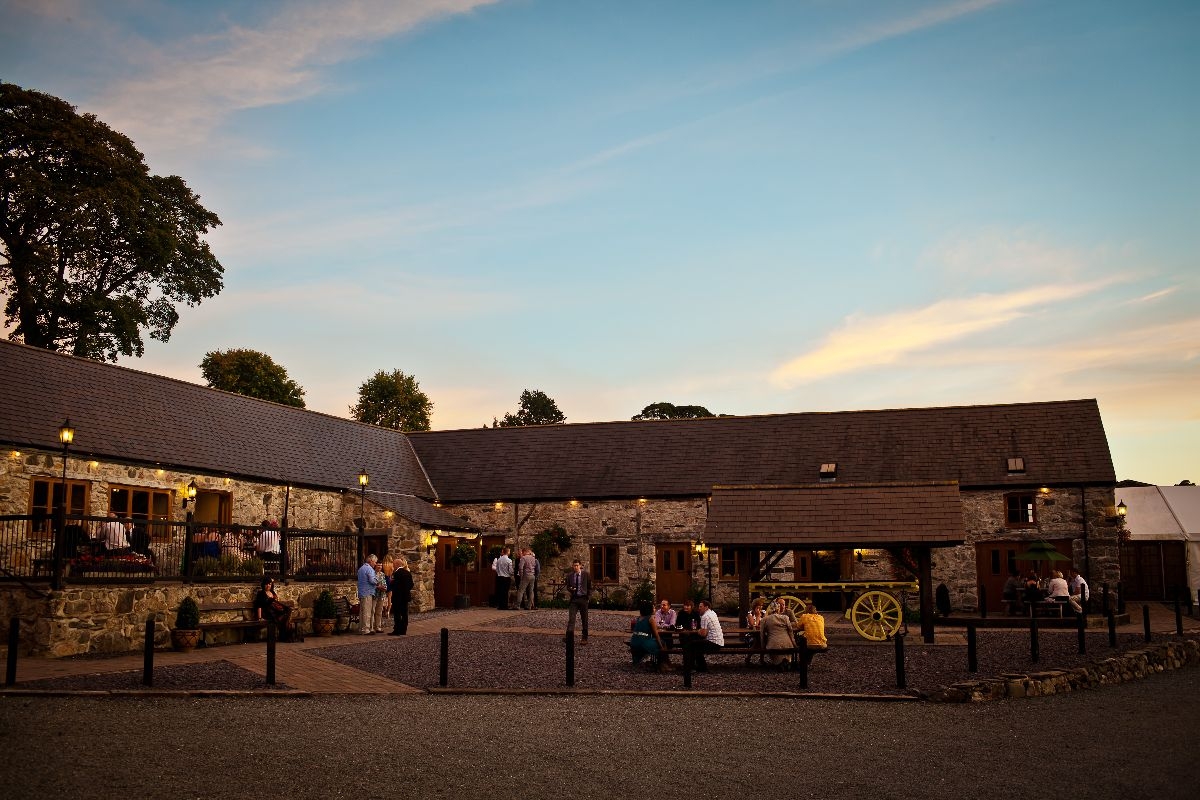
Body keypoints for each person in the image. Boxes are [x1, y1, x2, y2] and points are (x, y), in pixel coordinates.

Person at [628, 600, 670, 671]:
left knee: (654, 642)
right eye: (653, 608)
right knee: (662, 642)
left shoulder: (639, 618)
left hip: (634, 642)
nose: (654, 609)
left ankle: (658, 663)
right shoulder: (651, 618)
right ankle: (664, 664)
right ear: (649, 609)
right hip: (643, 643)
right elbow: (656, 635)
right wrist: (661, 647)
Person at [252, 576, 297, 641]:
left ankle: (285, 636)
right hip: (268, 613)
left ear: (271, 585)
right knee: (285, 614)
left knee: (287, 612)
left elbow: (277, 603)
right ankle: (287, 636)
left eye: (269, 584)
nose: (268, 585)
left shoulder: (273, 592)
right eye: (266, 584)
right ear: (263, 584)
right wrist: (259, 617)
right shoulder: (261, 593)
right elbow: (259, 606)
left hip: (276, 612)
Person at [686, 599, 724, 672]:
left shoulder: (705, 616)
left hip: (714, 643)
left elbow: (703, 634)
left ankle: (690, 668)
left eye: (701, 607)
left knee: (691, 645)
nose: (699, 608)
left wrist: (697, 631)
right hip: (719, 642)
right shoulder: (712, 613)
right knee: (696, 645)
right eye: (699, 606)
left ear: (706, 607)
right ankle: (702, 667)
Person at [565, 560, 591, 644]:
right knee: (571, 619)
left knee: (584, 619)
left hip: (583, 598)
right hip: (574, 599)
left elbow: (590, 586)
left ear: (580, 566)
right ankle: (569, 637)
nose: (575, 567)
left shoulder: (586, 574)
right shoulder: (570, 576)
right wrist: (571, 589)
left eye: (577, 565)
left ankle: (584, 637)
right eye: (574, 566)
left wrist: (588, 597)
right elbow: (568, 586)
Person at [389, 557, 414, 635]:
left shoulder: (396, 573)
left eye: (393, 564)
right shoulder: (407, 572)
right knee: (404, 614)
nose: (392, 566)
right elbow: (411, 585)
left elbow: (396, 586)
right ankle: (403, 630)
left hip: (398, 597)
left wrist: (391, 583)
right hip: (405, 597)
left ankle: (397, 630)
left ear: (396, 564)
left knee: (397, 614)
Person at [357, 554, 379, 634]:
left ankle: (361, 628)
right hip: (368, 592)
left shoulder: (361, 568)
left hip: (362, 592)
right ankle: (366, 629)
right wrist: (377, 580)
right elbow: (372, 581)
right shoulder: (369, 569)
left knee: (362, 611)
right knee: (367, 612)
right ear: (371, 561)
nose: (375, 564)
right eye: (375, 562)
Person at [372, 560, 389, 634]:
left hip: (381, 595)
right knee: (372, 611)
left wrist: (385, 588)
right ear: (375, 566)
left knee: (379, 612)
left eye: (381, 566)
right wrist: (378, 587)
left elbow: (384, 583)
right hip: (374, 595)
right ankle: (371, 627)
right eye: (378, 565)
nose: (380, 567)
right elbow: (371, 584)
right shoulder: (372, 573)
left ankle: (378, 627)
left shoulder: (382, 574)